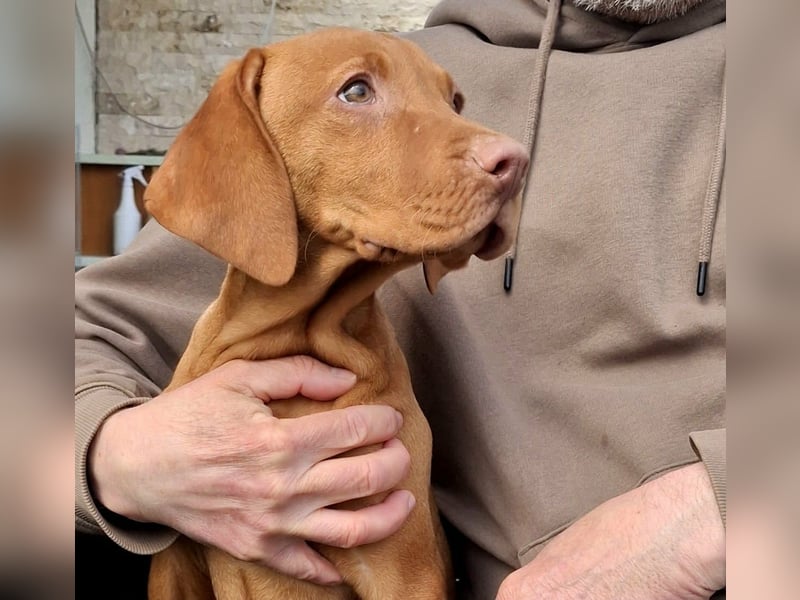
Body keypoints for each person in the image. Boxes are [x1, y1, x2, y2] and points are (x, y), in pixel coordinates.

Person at [75, 0, 726, 598]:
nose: (499, 151)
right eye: (359, 92)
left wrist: (715, 505)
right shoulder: (362, 76)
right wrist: (119, 457)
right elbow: (61, 346)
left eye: (453, 106)